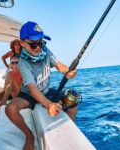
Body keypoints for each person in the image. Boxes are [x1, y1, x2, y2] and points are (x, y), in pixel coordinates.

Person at [5, 21, 77, 150]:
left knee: (72, 106)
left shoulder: (46, 51)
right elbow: (32, 89)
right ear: (22, 43)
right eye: (33, 44)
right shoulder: (23, 63)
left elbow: (59, 65)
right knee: (10, 109)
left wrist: (68, 70)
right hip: (28, 94)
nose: (38, 47)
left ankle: (70, 135)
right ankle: (29, 136)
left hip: (46, 90)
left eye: (41, 42)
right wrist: (49, 104)